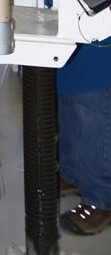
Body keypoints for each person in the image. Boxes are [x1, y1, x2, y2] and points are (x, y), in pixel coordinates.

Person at [57, 39, 111, 236]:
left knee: (94, 119)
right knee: (70, 105)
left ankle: (101, 199)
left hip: (101, 47)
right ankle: (72, 174)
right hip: (72, 41)